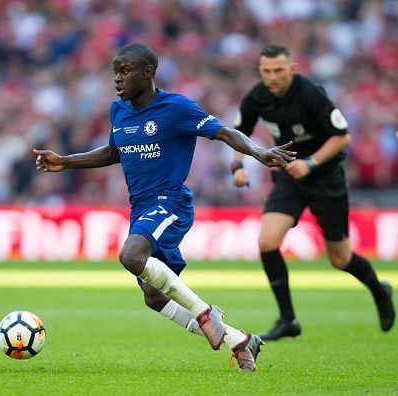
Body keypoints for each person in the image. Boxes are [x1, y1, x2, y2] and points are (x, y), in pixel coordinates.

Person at [34, 43, 297, 371]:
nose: (117, 78)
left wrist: (257, 152)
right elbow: (115, 151)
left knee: (130, 256)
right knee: (154, 296)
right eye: (115, 71)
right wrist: (67, 162)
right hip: (140, 208)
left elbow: (225, 132)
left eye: (125, 71)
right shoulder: (119, 110)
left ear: (147, 73)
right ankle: (239, 340)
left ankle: (204, 312)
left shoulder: (177, 108)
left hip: (170, 201)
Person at [231, 44, 395, 340]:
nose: (272, 77)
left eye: (278, 70)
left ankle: (379, 290)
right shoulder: (257, 96)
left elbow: (342, 137)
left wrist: (311, 162)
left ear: (292, 68)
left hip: (325, 176)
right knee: (267, 241)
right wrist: (238, 166)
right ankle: (288, 320)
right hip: (289, 178)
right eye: (266, 71)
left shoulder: (309, 92)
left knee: (340, 259)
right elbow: (239, 134)